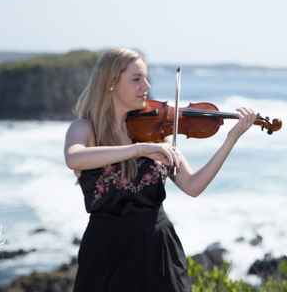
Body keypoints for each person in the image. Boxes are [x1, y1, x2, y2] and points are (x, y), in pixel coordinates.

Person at [64, 48, 256, 291]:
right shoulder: (85, 129)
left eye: (146, 78)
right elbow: (74, 158)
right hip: (106, 253)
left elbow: (193, 185)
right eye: (136, 79)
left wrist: (231, 139)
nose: (146, 85)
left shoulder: (156, 131)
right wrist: (138, 150)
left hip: (158, 253)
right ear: (110, 82)